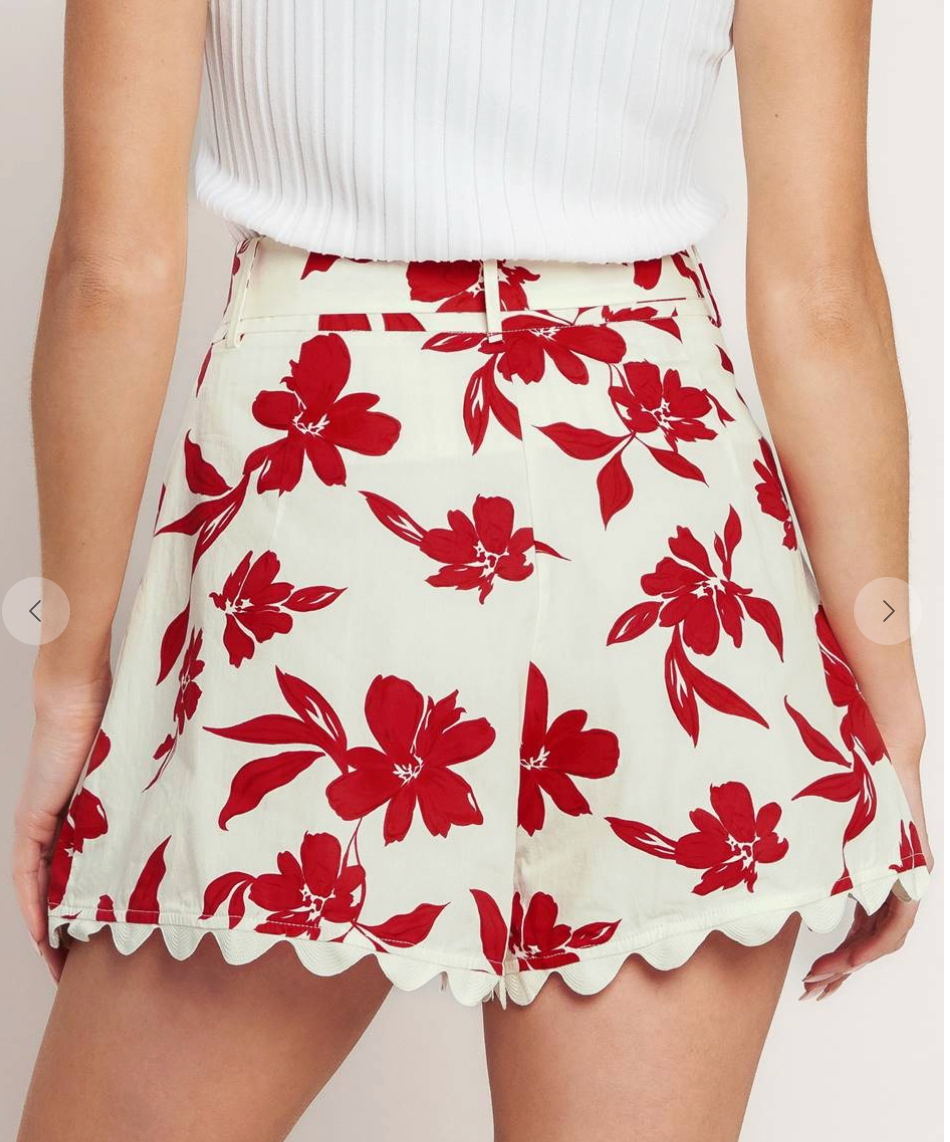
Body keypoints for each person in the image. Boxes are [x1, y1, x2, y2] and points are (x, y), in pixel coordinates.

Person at [14, 2, 933, 1140]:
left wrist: (66, 676)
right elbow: (822, 298)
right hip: (661, 510)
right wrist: (888, 698)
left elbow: (111, 274)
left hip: (330, 470)